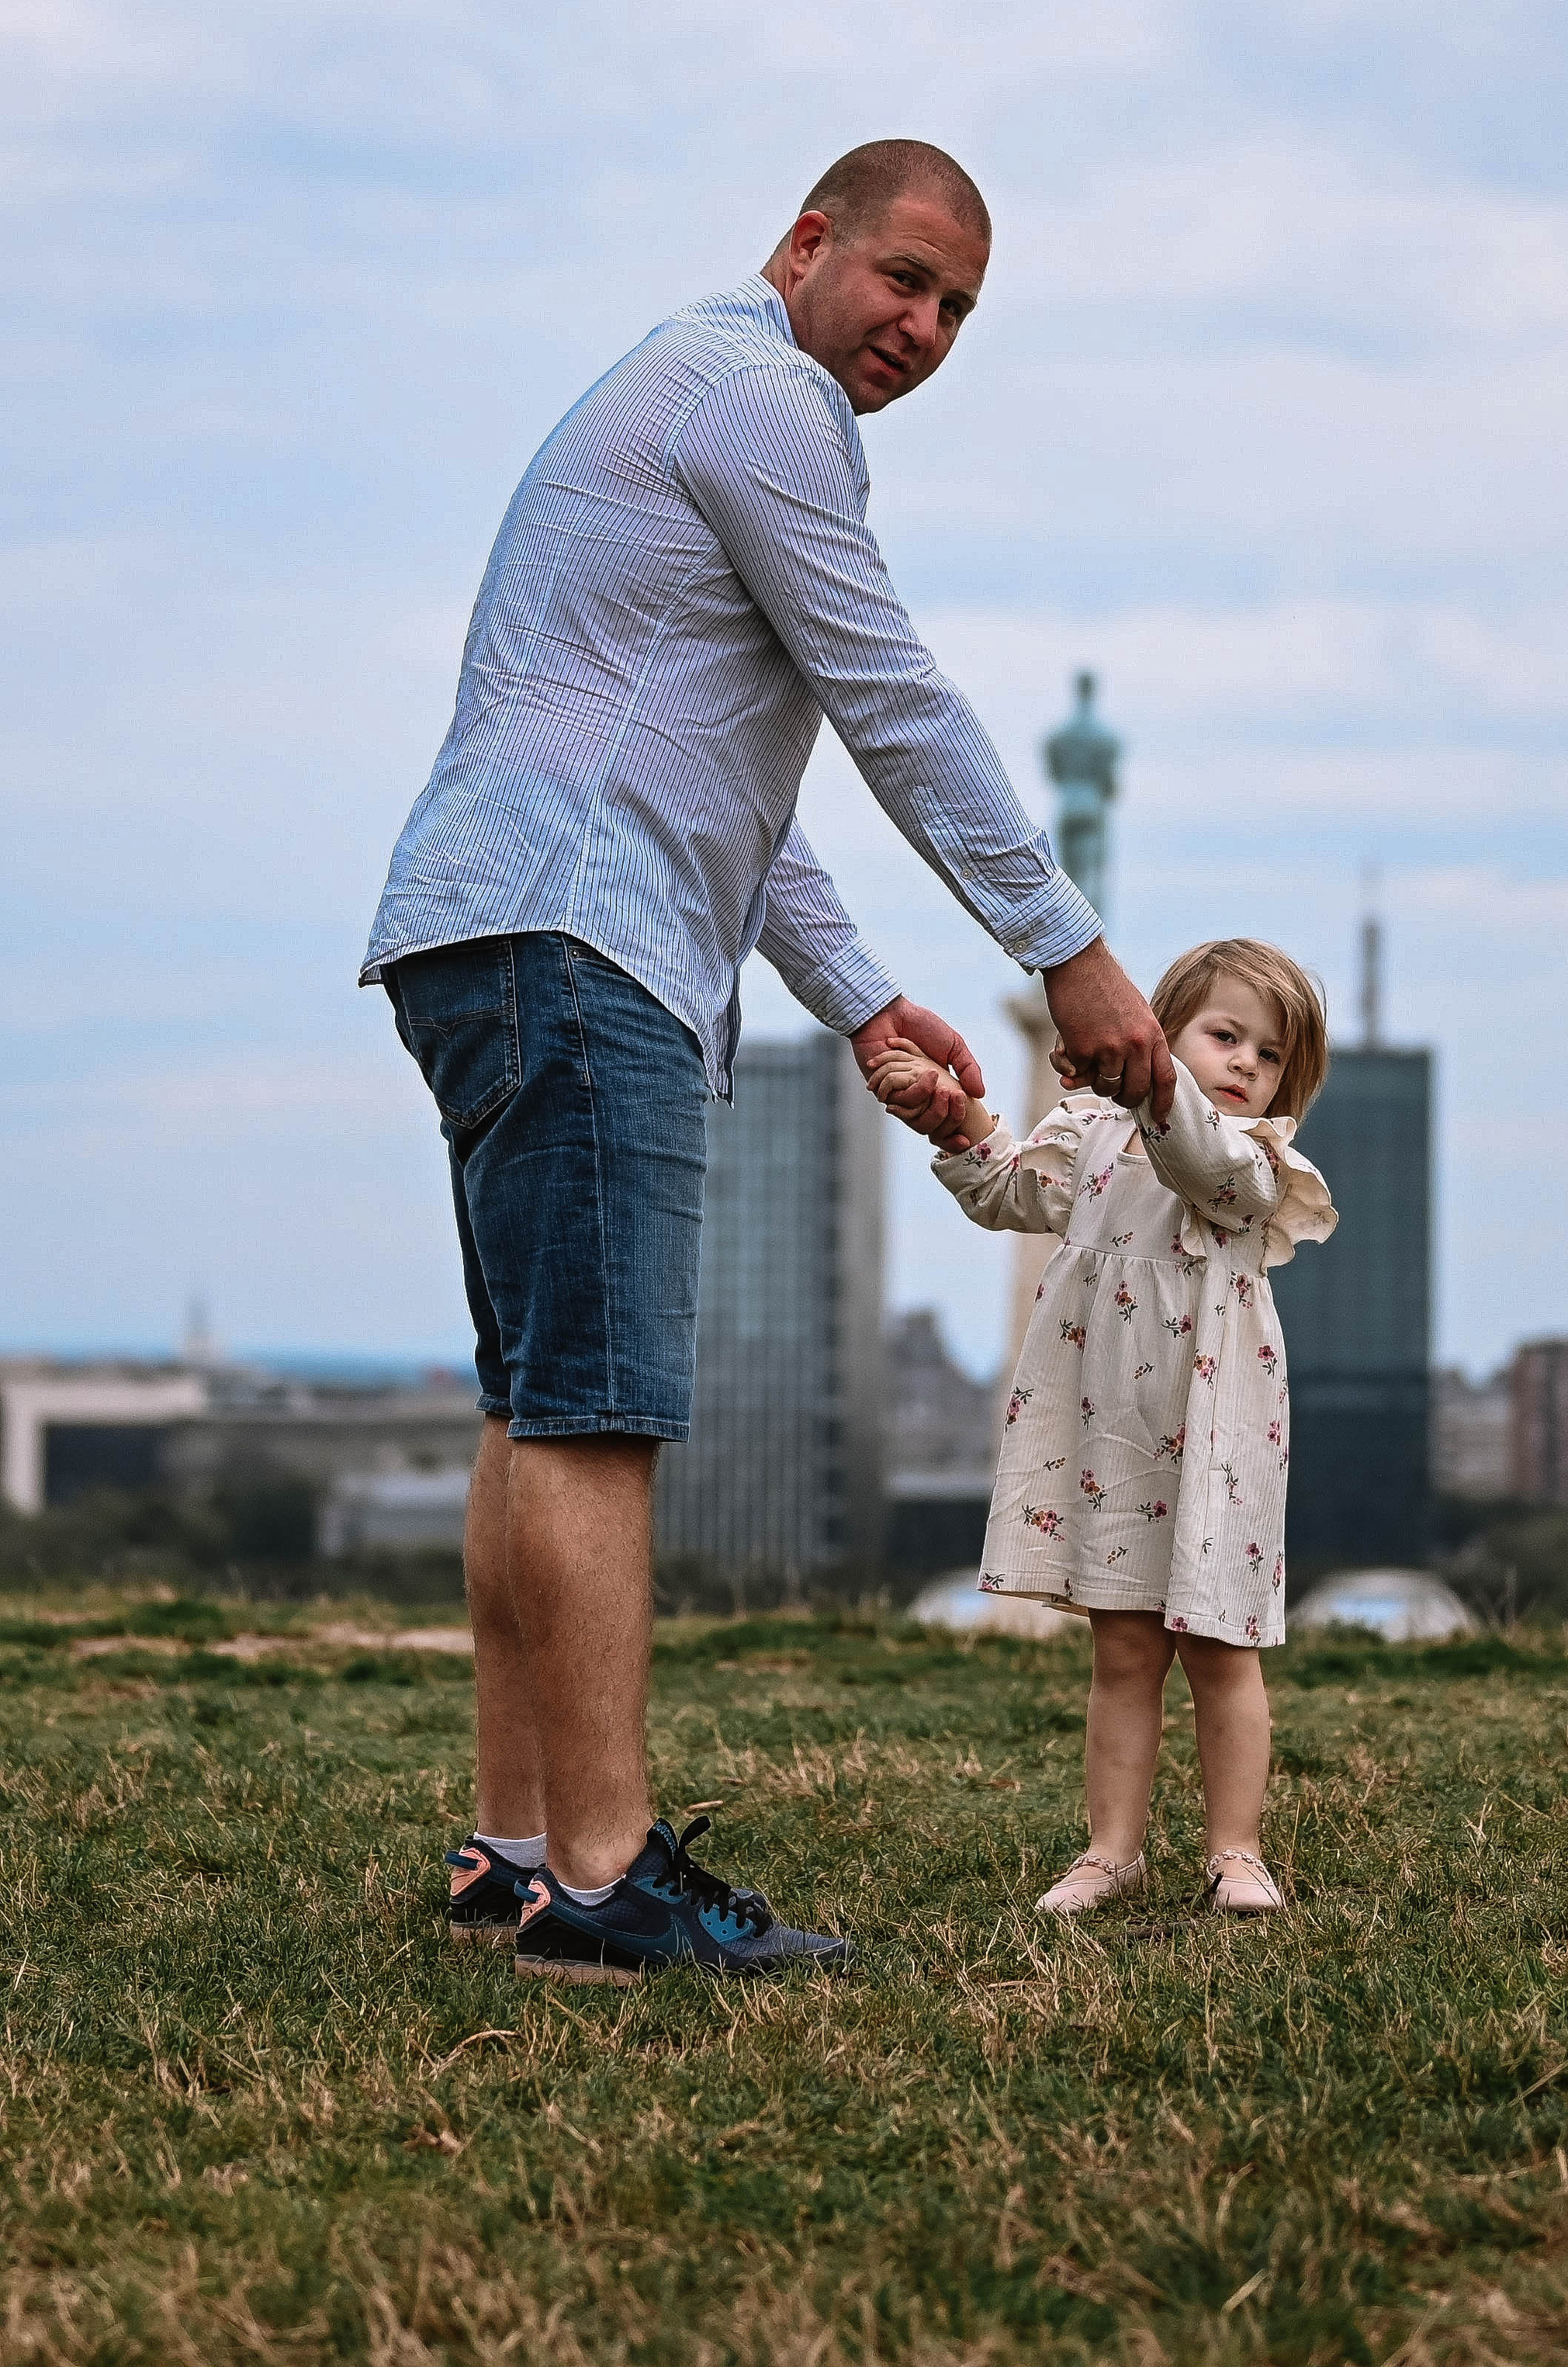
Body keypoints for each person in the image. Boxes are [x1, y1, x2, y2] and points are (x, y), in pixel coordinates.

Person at [360, 137, 1175, 1984]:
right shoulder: (762, 399)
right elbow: (889, 695)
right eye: (903, 278)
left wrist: (863, 998)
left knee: (529, 1399)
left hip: (492, 926)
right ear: (806, 242)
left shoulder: (680, 392)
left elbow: (716, 775)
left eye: (958, 309)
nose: (924, 327)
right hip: (579, 938)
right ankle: (603, 1881)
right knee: (593, 1409)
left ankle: (516, 1848)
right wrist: (1066, 948)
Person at [867, 937, 1334, 1918]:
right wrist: (953, 1116)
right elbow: (1011, 1193)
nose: (1248, 1064)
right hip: (1110, 1434)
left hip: (1215, 1439)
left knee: (1220, 1651)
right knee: (1123, 1652)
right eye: (1225, 1036)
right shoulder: (1088, 1131)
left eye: (1271, 1054)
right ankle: (1111, 1852)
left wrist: (1148, 1084)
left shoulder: (1256, 1160)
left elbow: (1201, 1163)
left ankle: (1236, 1853)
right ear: (1158, 1027)